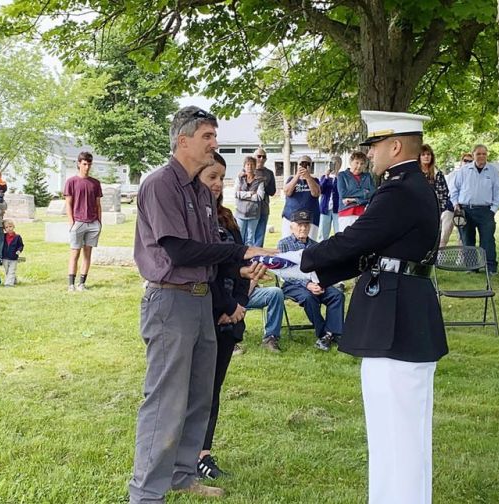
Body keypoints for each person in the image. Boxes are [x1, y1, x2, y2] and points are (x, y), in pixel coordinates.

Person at [301, 111, 448, 504]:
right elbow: (378, 252)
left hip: (396, 319)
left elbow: (358, 238)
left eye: (375, 145)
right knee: (396, 434)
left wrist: (305, 257)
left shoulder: (399, 189)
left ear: (396, 146)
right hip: (401, 312)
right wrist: (322, 273)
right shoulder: (415, 186)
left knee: (397, 436)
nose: (371, 154)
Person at [129, 106, 272, 503]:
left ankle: (183, 474)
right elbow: (178, 249)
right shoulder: (160, 185)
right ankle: (146, 493)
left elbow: (210, 251)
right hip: (169, 302)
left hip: (201, 300)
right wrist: (242, 251)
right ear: (184, 140)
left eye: (215, 136)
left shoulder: (200, 190)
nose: (214, 143)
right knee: (164, 399)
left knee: (199, 394)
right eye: (208, 136)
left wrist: (241, 270)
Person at [195, 152, 274, 479]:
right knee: (195, 389)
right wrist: (226, 306)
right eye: (211, 177)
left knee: (213, 387)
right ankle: (185, 453)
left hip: (232, 315)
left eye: (220, 179)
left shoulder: (227, 218)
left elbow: (242, 264)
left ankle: (204, 453)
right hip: (206, 312)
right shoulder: (193, 222)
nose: (216, 184)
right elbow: (206, 270)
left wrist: (240, 303)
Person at [277, 210, 345, 351]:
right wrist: (307, 284)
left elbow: (321, 270)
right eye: (299, 225)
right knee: (309, 297)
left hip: (315, 283)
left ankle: (334, 333)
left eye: (306, 225)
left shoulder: (315, 245)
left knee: (337, 295)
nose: (303, 228)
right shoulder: (284, 244)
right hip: (292, 285)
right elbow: (285, 273)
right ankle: (324, 334)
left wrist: (321, 284)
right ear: (292, 226)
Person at [449, 144, 499, 274]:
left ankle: (490, 267)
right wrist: (456, 205)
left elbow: (498, 191)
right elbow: (454, 189)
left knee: (488, 240)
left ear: (487, 155)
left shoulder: (493, 171)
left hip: (486, 211)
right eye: (478, 154)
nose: (481, 156)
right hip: (465, 210)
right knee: (467, 240)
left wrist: (493, 210)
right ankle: (472, 267)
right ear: (473, 155)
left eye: (484, 154)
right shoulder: (464, 170)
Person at [65, 151, 103, 292]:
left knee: (88, 254)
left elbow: (98, 204)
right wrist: (71, 223)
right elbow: (68, 203)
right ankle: (71, 284)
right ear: (79, 164)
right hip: (78, 222)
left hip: (93, 223)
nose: (87, 167)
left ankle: (82, 283)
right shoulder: (71, 182)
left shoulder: (95, 183)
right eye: (84, 164)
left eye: (89, 164)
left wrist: (99, 223)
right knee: (75, 254)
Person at [420, 144, 455, 248]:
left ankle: (437, 255)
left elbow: (444, 193)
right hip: (420, 210)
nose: (426, 157)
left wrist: (440, 209)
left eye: (428, 154)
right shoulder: (415, 174)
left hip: (436, 209)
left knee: (437, 235)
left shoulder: (437, 173)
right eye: (423, 154)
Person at [281, 155, 320, 239]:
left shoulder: (315, 180)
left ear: (311, 166)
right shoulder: (291, 179)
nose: (304, 166)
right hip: (290, 218)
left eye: (307, 164)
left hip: (310, 219)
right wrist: (297, 176)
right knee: (288, 244)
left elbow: (316, 193)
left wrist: (308, 177)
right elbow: (287, 192)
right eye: (302, 164)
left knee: (310, 247)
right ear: (297, 165)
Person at [337, 151, 376, 232]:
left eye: (362, 164)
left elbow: (373, 193)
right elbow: (343, 194)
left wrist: (354, 200)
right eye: (357, 163)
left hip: (364, 213)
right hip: (346, 213)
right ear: (351, 162)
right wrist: (365, 192)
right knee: (346, 241)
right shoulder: (342, 175)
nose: (359, 166)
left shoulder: (367, 176)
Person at [233, 156, 266, 245]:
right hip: (240, 213)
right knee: (239, 237)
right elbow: (236, 194)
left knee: (250, 239)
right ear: (244, 166)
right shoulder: (240, 178)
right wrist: (250, 194)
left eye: (252, 165)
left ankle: (248, 257)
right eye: (247, 164)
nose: (249, 167)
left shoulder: (260, 180)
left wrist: (242, 195)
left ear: (255, 166)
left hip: (254, 214)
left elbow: (260, 197)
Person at [252, 147, 277, 246]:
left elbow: (272, 192)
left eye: (264, 157)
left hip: (263, 209)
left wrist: (264, 182)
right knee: (247, 236)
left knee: (259, 237)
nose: (261, 159)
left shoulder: (269, 173)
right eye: (259, 156)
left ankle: (258, 258)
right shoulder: (246, 170)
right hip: (249, 210)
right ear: (254, 157)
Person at [318, 157, 340, 240]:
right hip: (325, 209)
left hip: (337, 209)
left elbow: (342, 190)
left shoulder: (341, 177)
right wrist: (327, 177)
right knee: (323, 233)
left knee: (339, 231)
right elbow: (321, 190)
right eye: (332, 163)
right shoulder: (324, 177)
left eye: (336, 163)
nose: (333, 166)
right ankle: (321, 250)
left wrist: (337, 176)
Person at [1, 219, 24, 286]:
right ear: (4, 229)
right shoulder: (3, 236)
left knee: (12, 270)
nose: (9, 228)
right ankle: (14, 280)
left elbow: (21, 245)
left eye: (10, 226)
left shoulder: (17, 237)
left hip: (14, 257)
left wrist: (19, 250)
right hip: (5, 257)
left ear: (13, 226)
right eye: (6, 227)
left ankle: (8, 284)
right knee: (8, 271)